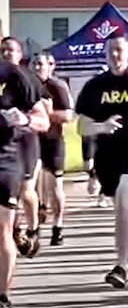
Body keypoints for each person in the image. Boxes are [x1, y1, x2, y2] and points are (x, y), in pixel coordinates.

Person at [75, 34, 128, 288]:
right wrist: (102, 126)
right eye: (111, 51)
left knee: (123, 199)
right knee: (122, 207)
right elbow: (81, 127)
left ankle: (121, 266)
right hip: (108, 158)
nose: (116, 56)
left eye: (120, 50)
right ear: (106, 54)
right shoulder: (95, 86)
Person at [0, 58, 50, 308]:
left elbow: (44, 121)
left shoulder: (16, 76)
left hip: (4, 161)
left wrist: (23, 119)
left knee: (3, 230)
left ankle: (3, 296)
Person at [32, 52, 74, 246]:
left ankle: (57, 227)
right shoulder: (26, 85)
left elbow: (68, 115)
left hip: (53, 141)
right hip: (31, 141)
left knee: (54, 185)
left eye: (41, 64)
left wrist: (48, 114)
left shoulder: (57, 86)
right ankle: (35, 227)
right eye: (34, 64)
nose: (38, 68)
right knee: (30, 186)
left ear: (51, 66)